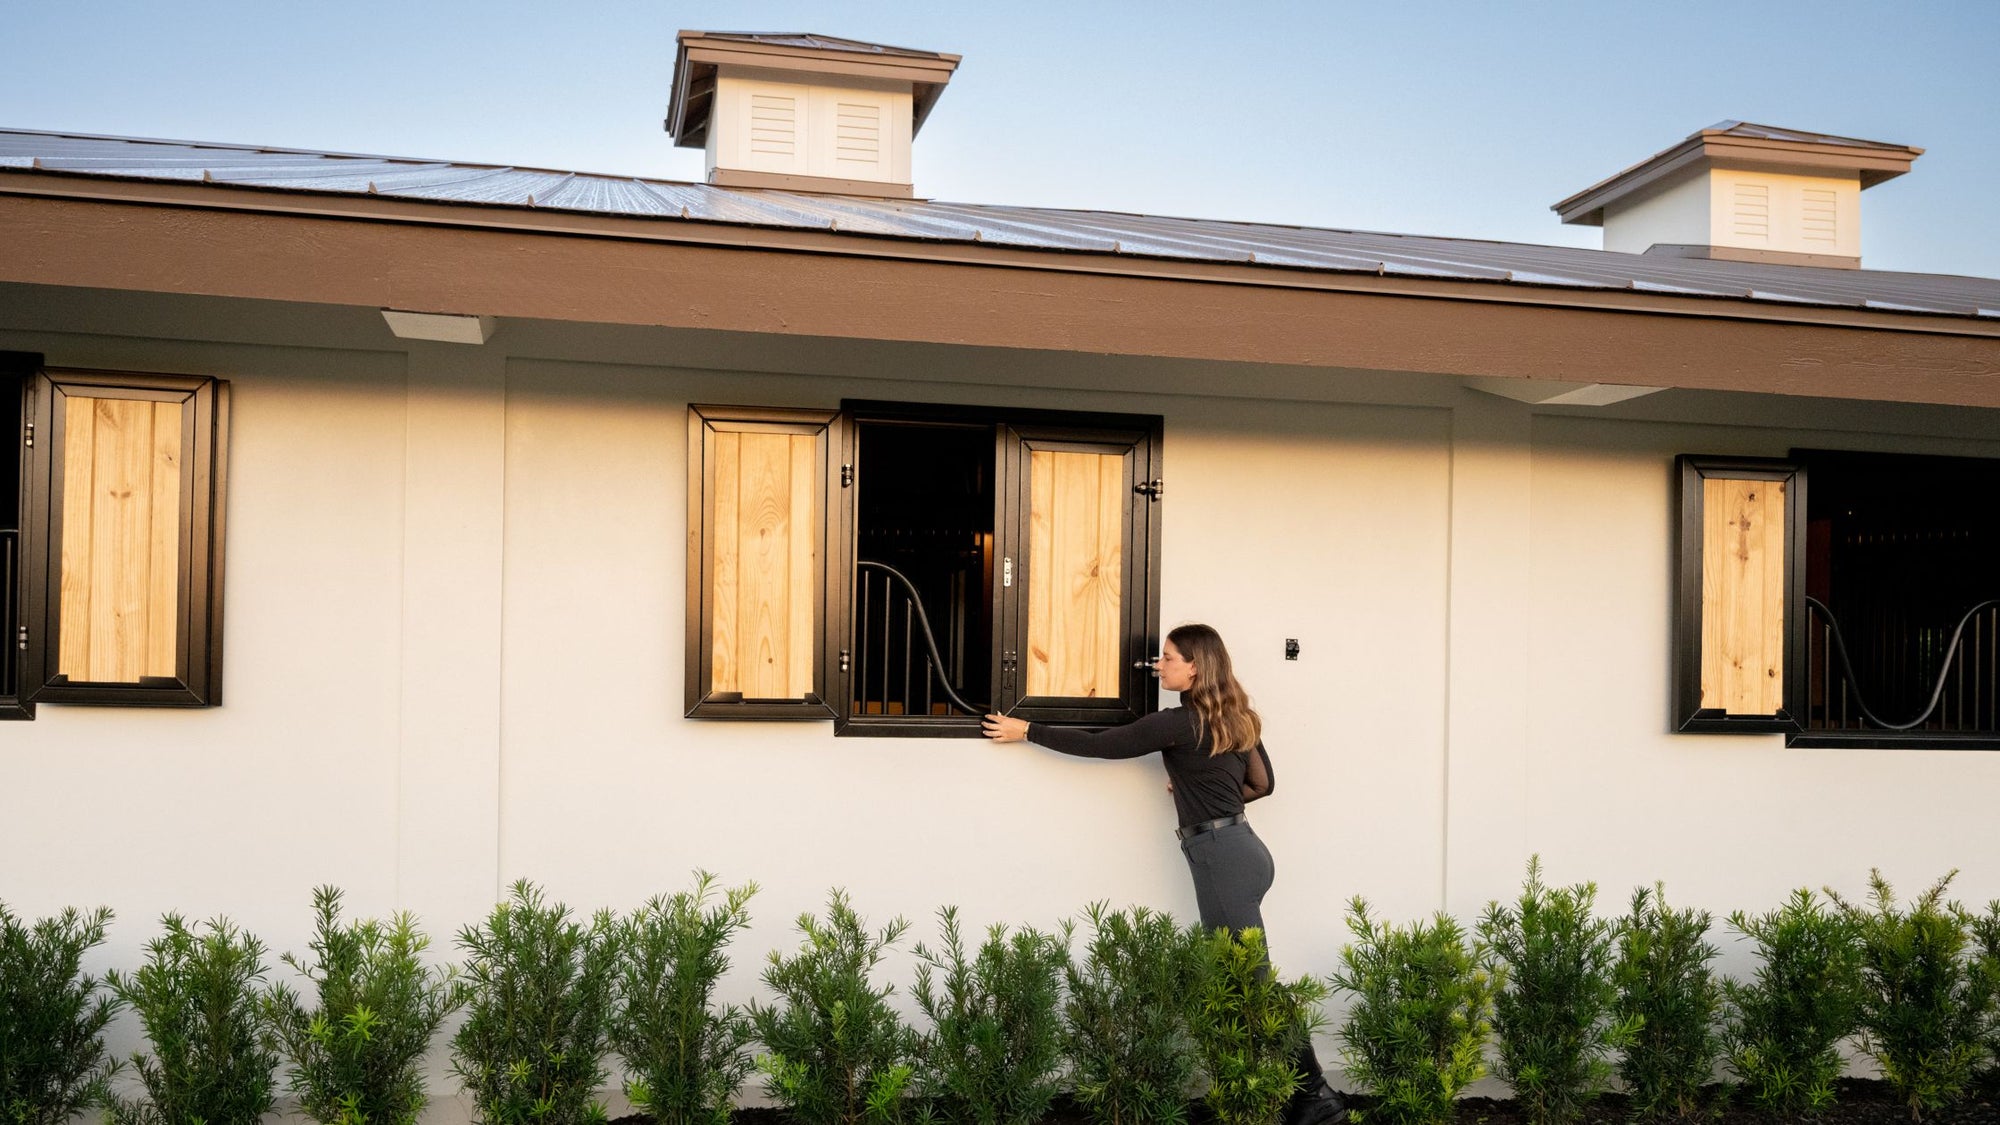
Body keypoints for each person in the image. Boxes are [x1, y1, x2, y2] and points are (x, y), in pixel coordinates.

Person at [981, 623, 1348, 1125]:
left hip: (1220, 858)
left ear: (1195, 666)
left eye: (1169, 657)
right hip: (1244, 851)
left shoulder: (1178, 722)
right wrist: (1201, 790)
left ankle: (1315, 1099)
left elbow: (1104, 744)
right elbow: (1262, 784)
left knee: (1251, 982)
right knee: (1244, 979)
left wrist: (1028, 730)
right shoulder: (1237, 718)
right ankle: (1279, 1095)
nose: (1160, 665)